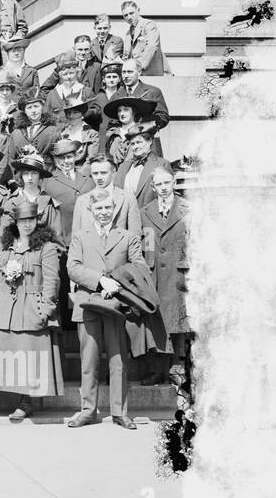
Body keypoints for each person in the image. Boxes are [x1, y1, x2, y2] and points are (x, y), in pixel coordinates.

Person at [66, 188, 147, 430]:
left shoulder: (127, 237)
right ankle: (88, 410)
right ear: (90, 210)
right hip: (88, 302)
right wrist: (100, 280)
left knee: (118, 359)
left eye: (108, 208)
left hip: (115, 303)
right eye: (99, 208)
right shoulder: (80, 236)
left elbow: (139, 267)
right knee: (88, 361)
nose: (104, 212)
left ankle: (119, 412)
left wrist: (117, 283)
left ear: (114, 210)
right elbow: (73, 267)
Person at [0, 198, 62, 421]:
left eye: (31, 220)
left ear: (37, 220)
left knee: (28, 354)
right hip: (6, 306)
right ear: (15, 222)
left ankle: (26, 402)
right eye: (22, 220)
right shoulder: (7, 245)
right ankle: (13, 396)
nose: (27, 225)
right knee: (6, 352)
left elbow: (52, 281)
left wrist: (45, 310)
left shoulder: (46, 247)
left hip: (31, 307)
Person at [137, 166, 192, 391]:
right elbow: (143, 243)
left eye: (166, 183)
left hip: (178, 273)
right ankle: (157, 369)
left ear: (173, 183)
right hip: (155, 274)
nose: (163, 188)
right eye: (158, 185)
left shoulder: (188, 209)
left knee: (178, 319)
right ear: (153, 187)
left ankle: (178, 368)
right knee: (157, 320)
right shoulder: (145, 211)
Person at [121, 0, 166, 76]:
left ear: (138, 10)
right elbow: (126, 56)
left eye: (131, 13)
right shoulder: (128, 34)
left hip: (151, 73)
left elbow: (151, 47)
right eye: (126, 15)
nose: (129, 17)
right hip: (135, 76)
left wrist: (138, 67)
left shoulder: (148, 25)